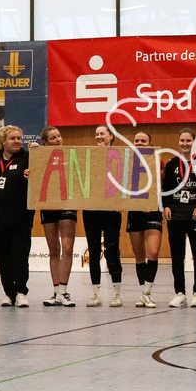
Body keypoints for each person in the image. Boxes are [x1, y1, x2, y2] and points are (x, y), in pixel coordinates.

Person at [0, 125, 33, 308]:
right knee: (3, 257)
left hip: (20, 217)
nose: (17, 141)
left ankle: (21, 292)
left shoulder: (27, 158)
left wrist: (32, 176)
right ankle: (8, 293)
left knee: (20, 255)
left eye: (19, 138)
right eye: (13, 138)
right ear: (3, 141)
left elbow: (39, 181)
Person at [162, 128, 196, 308]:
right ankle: (180, 292)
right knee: (177, 255)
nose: (185, 144)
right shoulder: (173, 163)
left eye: (188, 141)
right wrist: (165, 205)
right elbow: (165, 188)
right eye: (182, 141)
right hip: (176, 214)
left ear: (193, 142)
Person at [82, 125, 124, 307]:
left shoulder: (119, 156)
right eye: (96, 134)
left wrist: (121, 203)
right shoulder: (88, 157)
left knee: (112, 250)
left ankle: (116, 294)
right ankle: (95, 294)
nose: (99, 137)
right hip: (90, 211)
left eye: (102, 134)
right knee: (93, 251)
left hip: (111, 211)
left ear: (110, 136)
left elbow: (124, 180)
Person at [36, 126, 77, 307]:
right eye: (53, 138)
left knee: (67, 248)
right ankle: (55, 292)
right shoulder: (39, 157)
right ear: (45, 142)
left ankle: (64, 291)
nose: (58, 139)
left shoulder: (70, 155)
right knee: (53, 250)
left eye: (59, 136)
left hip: (67, 204)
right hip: (48, 205)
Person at [126, 131, 164, 308]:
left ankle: (147, 293)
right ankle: (144, 293)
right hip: (134, 212)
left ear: (150, 143)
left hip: (153, 211)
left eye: (143, 140)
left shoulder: (158, 161)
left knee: (153, 252)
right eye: (136, 140)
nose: (139, 143)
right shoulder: (126, 162)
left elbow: (164, 187)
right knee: (139, 255)